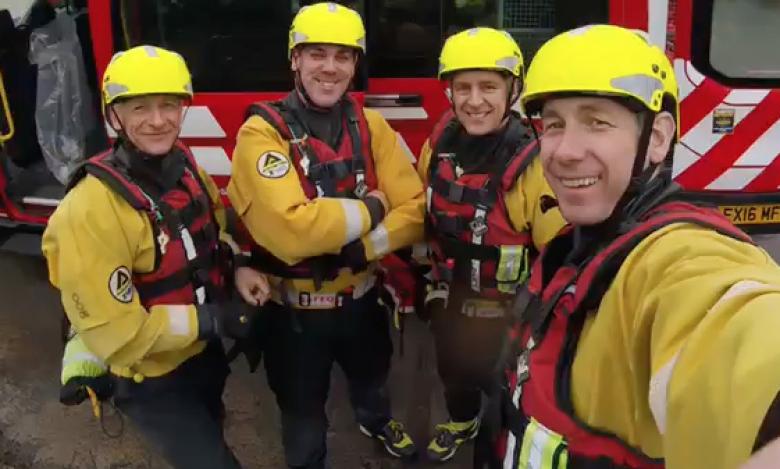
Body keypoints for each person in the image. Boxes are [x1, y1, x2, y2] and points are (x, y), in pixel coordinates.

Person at [480, 24, 780, 469]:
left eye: (597, 121)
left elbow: (735, 325)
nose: (563, 150)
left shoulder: (677, 258)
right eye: (554, 124)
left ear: (657, 138)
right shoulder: (574, 246)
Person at [42, 45, 270, 469]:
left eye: (169, 105)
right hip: (150, 376)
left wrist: (238, 266)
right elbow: (119, 332)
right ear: (114, 116)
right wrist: (216, 319)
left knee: (212, 427)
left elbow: (214, 231)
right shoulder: (89, 208)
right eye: (140, 108)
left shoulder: (184, 167)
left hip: (202, 356)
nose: (158, 120)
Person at [226, 3, 425, 468]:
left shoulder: (370, 124)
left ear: (356, 65)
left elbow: (416, 209)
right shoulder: (261, 134)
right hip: (294, 315)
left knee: (373, 379)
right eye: (316, 53)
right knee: (303, 419)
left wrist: (365, 246)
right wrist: (374, 206)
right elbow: (294, 233)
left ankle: (375, 421)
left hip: (362, 301)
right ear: (294, 59)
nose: (330, 67)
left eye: (343, 55)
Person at [415, 27, 565, 463]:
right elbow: (424, 211)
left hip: (510, 312)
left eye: (488, 87)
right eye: (463, 87)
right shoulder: (440, 144)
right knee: (455, 376)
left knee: (507, 399)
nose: (474, 100)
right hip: (452, 299)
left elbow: (557, 252)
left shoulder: (532, 163)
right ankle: (461, 422)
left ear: (512, 89)